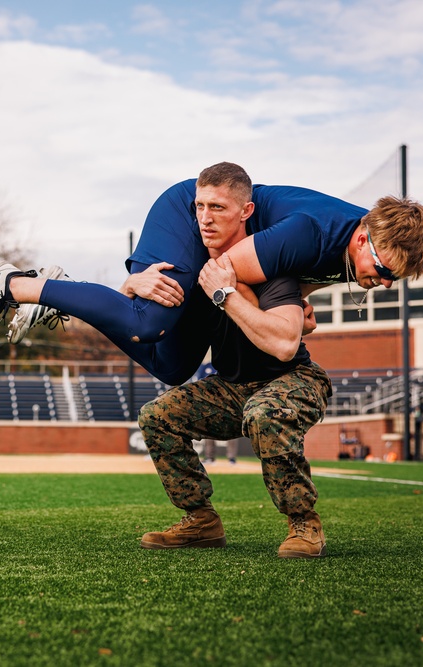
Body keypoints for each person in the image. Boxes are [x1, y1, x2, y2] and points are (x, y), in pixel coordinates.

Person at [0, 164, 423, 385]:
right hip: (197, 217)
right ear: (362, 238)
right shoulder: (310, 233)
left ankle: (61, 289)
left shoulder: (368, 246)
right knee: (150, 321)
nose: (383, 282)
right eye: (383, 270)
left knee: (172, 368)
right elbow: (220, 273)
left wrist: (294, 301)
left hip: (230, 244)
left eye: (394, 279)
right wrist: (132, 285)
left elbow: (289, 276)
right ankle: (16, 284)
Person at [136, 164, 331, 558]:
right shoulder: (193, 268)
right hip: (232, 388)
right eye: (199, 206)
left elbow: (285, 343)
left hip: (293, 379)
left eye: (218, 207)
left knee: (265, 412)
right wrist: (132, 282)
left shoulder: (270, 264)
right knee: (157, 415)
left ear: (245, 211)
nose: (205, 218)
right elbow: (129, 310)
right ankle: (201, 521)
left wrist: (225, 294)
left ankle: (304, 523)